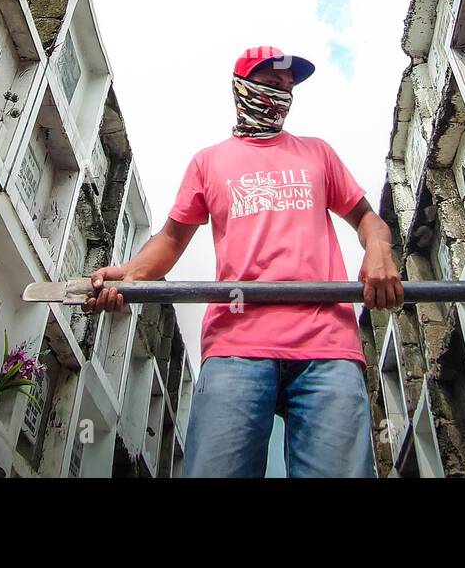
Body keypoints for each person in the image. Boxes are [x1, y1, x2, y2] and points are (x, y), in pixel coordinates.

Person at [84, 45, 403, 477]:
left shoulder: (317, 154)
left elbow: (368, 219)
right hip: (238, 344)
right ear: (242, 88)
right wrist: (131, 275)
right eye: (273, 85)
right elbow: (172, 240)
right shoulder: (209, 162)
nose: (283, 97)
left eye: (289, 89)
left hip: (326, 345)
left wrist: (379, 249)